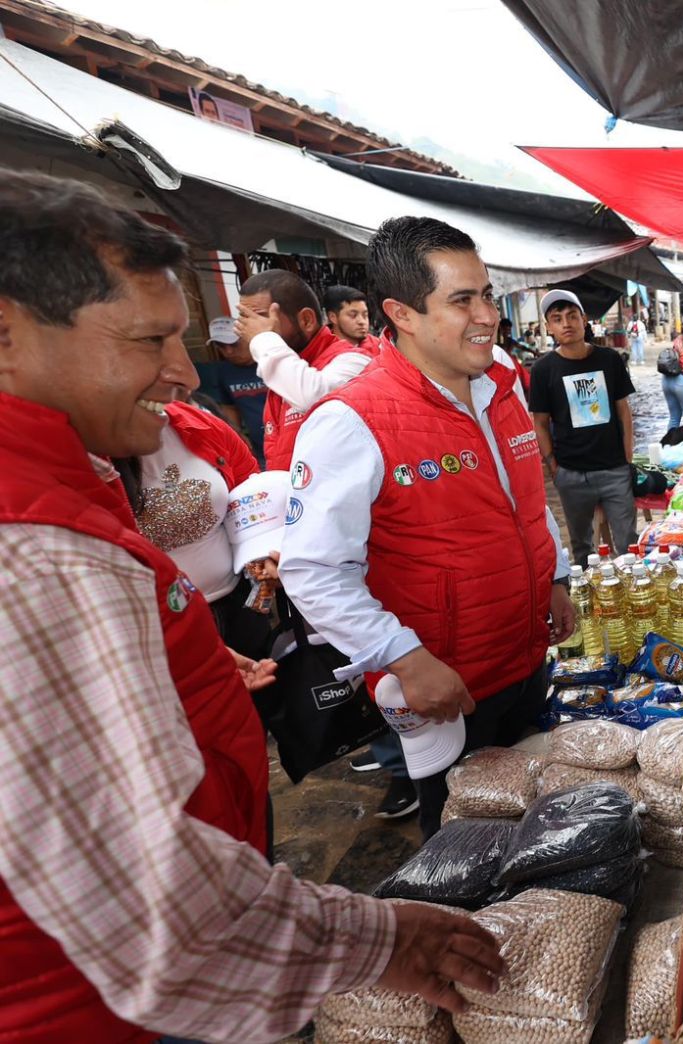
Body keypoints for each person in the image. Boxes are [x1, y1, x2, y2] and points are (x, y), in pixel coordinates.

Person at [0, 169, 502, 1043]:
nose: (181, 370)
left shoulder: (66, 485)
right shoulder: (38, 553)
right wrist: (379, 939)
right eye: (148, 339)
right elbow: (163, 913)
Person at [281, 215, 576, 840]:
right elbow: (312, 571)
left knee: (546, 839)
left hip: (527, 664)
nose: (487, 316)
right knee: (468, 853)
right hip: (448, 693)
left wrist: (555, 577)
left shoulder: (501, 387)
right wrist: (405, 658)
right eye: (462, 300)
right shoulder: (349, 421)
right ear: (402, 314)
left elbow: (525, 500)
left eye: (487, 295)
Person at [111, 399, 279, 662]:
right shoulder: (93, 455)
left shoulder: (200, 424)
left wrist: (263, 557)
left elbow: (250, 494)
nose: (188, 380)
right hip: (164, 624)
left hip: (239, 603)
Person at [529, 289, 638, 563]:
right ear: (549, 327)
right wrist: (554, 466)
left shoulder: (609, 359)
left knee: (629, 546)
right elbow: (540, 422)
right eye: (557, 319)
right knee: (582, 549)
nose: (566, 324)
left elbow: (623, 410)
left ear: (584, 319)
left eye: (572, 316)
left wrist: (627, 457)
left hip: (615, 469)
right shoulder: (543, 369)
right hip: (572, 474)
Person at [235, 270, 373, 469]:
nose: (252, 329)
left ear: (306, 320)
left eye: (262, 318)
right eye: (246, 319)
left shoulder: (356, 360)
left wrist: (263, 339)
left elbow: (314, 397)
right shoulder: (283, 365)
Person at [196, 315, 268, 463]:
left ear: (246, 337)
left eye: (233, 344)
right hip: (260, 450)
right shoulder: (224, 372)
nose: (228, 351)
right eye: (221, 346)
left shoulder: (270, 360)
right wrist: (237, 434)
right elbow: (230, 407)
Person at [323, 284, 373, 349]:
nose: (362, 321)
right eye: (353, 315)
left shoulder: (380, 347)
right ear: (333, 317)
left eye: (365, 315)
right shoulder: (322, 351)